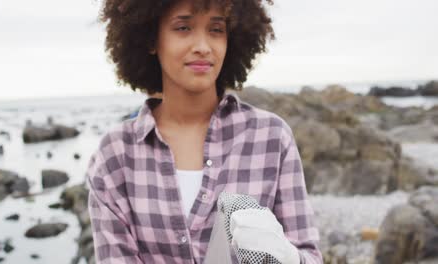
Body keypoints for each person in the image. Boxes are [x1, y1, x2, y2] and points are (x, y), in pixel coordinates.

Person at [86, 0, 323, 263]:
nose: (202, 47)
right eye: (183, 27)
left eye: (216, 30)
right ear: (151, 38)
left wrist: (288, 257)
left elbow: (309, 255)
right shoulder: (115, 155)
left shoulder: (272, 138)